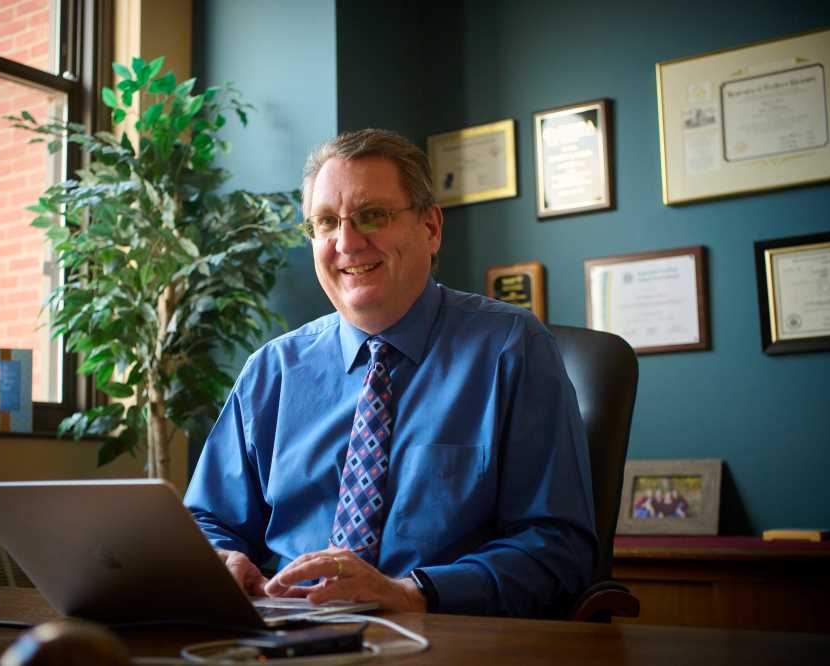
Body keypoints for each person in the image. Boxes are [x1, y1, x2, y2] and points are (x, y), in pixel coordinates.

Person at [184, 129, 597, 618]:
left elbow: (560, 547)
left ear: (431, 227)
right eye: (325, 222)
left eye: (372, 216)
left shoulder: (512, 349)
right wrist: (219, 560)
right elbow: (207, 517)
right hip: (285, 633)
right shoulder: (272, 371)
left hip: (440, 636)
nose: (347, 242)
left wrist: (410, 592)